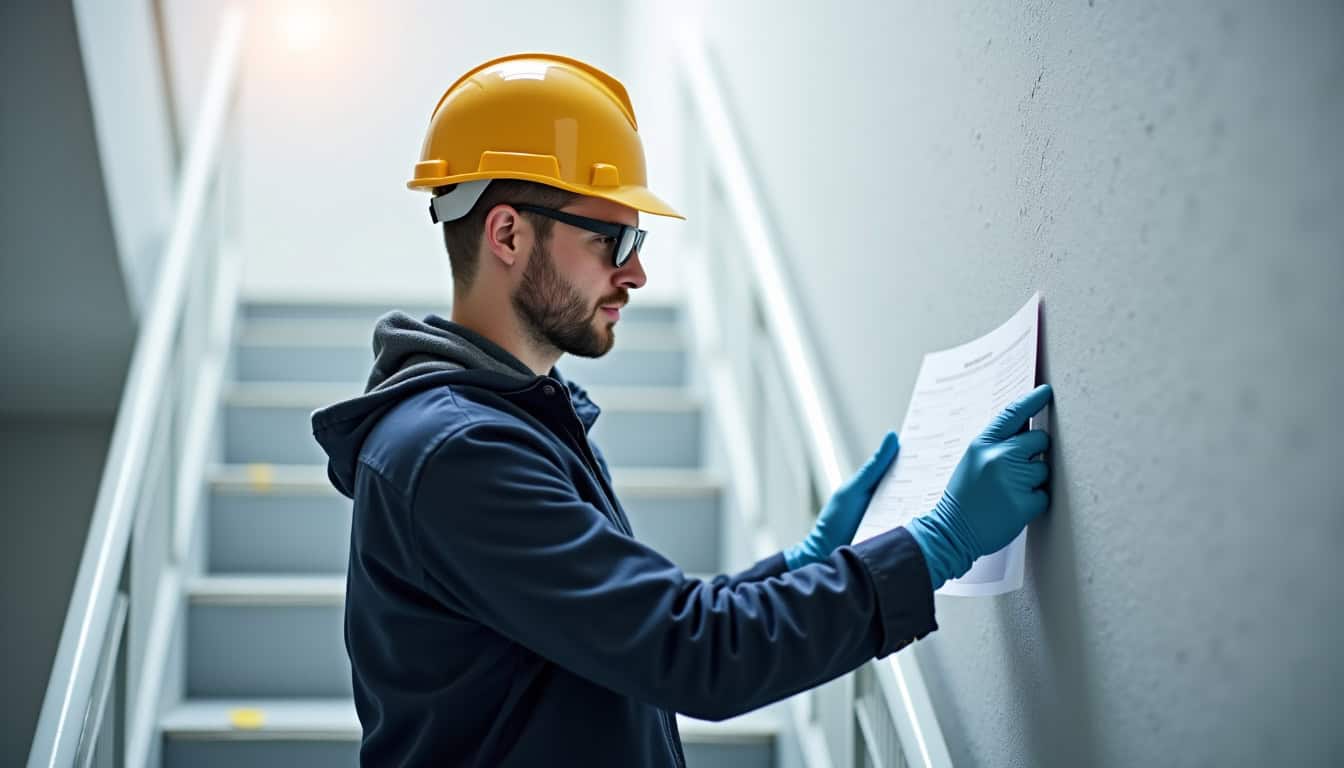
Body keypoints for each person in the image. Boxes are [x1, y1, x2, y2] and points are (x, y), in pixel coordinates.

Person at [311, 52, 1053, 768]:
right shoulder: (460, 452)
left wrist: (798, 567)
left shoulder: (513, 423)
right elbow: (694, 653)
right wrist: (937, 545)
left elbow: (635, 631)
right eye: (613, 238)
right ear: (508, 233)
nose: (635, 271)